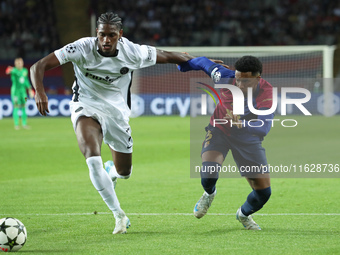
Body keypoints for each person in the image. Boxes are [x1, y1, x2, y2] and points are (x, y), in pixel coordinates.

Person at [30, 12, 222, 234]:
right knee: (92, 159)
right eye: (102, 35)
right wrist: (39, 92)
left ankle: (113, 171)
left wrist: (205, 64)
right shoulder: (81, 48)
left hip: (116, 113)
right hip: (85, 105)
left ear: (120, 35)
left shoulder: (132, 51)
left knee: (125, 172)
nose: (106, 40)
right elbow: (39, 66)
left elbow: (168, 56)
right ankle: (119, 215)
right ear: (97, 34)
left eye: (111, 35)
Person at [177, 55, 273, 230]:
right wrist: (183, 65)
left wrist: (242, 124)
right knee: (209, 172)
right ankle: (209, 193)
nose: (240, 85)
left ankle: (243, 214)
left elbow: (264, 127)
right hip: (219, 130)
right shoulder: (223, 76)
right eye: (238, 79)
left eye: (245, 81)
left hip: (247, 138)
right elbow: (201, 62)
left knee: (264, 193)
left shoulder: (265, 91)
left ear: (257, 79)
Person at [6, 58, 34, 130]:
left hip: (23, 93)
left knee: (24, 105)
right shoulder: (14, 71)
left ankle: (24, 124)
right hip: (15, 92)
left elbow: (26, 80)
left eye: (21, 62)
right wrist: (9, 70)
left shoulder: (25, 70)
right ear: (15, 64)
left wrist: (30, 89)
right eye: (18, 63)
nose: (20, 64)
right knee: (16, 106)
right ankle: (16, 125)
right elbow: (7, 71)